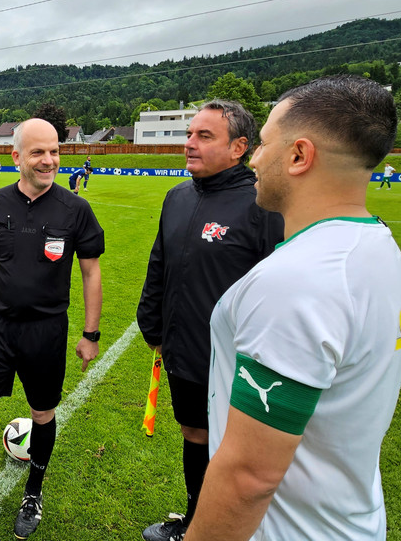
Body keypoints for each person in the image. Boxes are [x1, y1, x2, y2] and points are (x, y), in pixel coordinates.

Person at [185, 75, 401, 541]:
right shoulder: (380, 249)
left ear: (299, 156)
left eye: (264, 143)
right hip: (347, 520)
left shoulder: (297, 281)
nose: (254, 158)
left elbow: (249, 477)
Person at [0, 118, 104, 539]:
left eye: (55, 151)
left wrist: (90, 334)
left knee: (42, 414)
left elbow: (91, 272)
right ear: (16, 156)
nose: (49, 160)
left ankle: (33, 490)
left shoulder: (75, 209)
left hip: (46, 331)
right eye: (38, 152)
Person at [136, 100, 284, 541]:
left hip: (237, 360)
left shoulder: (262, 204)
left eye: (204, 136)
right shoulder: (177, 197)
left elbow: (277, 288)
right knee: (194, 434)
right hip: (184, 350)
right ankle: (195, 523)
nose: (190, 144)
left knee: (236, 450)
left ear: (239, 147)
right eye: (189, 134)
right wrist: (152, 324)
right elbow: (159, 263)